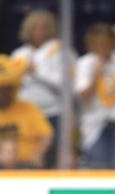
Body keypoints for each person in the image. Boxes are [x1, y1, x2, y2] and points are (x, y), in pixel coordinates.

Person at [11, 9, 76, 168]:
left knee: (52, 158)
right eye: (36, 27)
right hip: (24, 114)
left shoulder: (62, 52)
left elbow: (68, 86)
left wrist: (37, 74)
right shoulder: (19, 54)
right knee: (22, 156)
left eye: (45, 27)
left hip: (53, 112)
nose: (40, 31)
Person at [75, 23, 115, 169]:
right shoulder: (85, 63)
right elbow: (82, 96)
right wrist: (95, 75)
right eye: (99, 43)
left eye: (106, 42)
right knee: (99, 173)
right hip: (96, 126)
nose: (103, 47)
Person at [0, 54, 53, 169]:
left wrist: (37, 155)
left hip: (26, 165)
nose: (4, 94)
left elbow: (46, 135)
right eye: (1, 90)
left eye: (8, 89)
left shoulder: (28, 109)